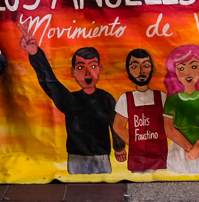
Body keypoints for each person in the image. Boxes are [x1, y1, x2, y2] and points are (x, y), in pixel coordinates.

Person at [17, 23, 126, 174]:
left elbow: (115, 124)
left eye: (93, 66)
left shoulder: (106, 98)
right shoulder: (70, 100)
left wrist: (119, 147)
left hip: (101, 156)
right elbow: (50, 82)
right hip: (76, 157)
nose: (88, 73)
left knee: (103, 188)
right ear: (73, 72)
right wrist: (35, 54)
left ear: (100, 69)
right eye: (81, 67)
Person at [162, 44, 199, 174]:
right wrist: (189, 148)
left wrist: (198, 147)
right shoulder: (172, 100)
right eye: (181, 68)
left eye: (193, 66)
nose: (187, 73)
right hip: (178, 150)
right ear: (175, 71)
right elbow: (169, 129)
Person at [113, 49, 168, 173]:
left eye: (146, 66)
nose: (141, 71)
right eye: (134, 66)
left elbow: (170, 125)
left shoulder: (162, 97)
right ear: (129, 71)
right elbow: (118, 127)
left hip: (161, 159)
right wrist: (136, 146)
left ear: (152, 69)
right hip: (138, 161)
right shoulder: (125, 98)